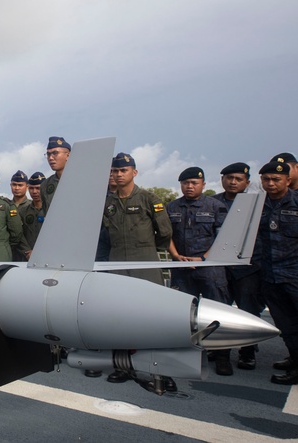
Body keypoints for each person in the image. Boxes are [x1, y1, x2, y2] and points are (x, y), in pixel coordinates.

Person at [101, 152, 173, 385]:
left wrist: (148, 250)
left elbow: (165, 232)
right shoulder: (108, 202)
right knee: (117, 315)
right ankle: (123, 367)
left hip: (144, 261)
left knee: (151, 315)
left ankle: (159, 368)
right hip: (116, 261)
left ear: (134, 172)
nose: (118, 174)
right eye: (115, 171)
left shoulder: (149, 198)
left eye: (123, 170)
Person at [166, 167, 232, 375]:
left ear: (203, 184)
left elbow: (223, 238)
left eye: (194, 183)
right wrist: (176, 256)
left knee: (218, 313)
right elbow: (166, 235)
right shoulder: (172, 207)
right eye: (186, 183)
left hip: (209, 268)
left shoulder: (216, 206)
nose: (189, 186)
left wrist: (204, 258)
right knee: (182, 315)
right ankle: (187, 355)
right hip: (182, 267)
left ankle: (222, 357)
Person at [214, 162, 264, 370]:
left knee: (248, 312)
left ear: (247, 182)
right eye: (229, 178)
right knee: (220, 312)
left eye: (238, 179)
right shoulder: (212, 203)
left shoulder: (258, 203)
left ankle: (247, 353)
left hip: (248, 269)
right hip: (220, 268)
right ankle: (221, 355)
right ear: (222, 179)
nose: (233, 182)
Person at [256, 160, 298, 385]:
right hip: (270, 274)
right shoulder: (257, 206)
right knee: (285, 323)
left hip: (294, 273)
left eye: (276, 180)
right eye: (266, 179)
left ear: (288, 180)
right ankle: (295, 359)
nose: (270, 184)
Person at [17, 171, 47, 259]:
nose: (34, 192)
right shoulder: (22, 211)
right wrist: (28, 252)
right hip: (27, 256)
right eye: (31, 188)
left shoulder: (52, 210)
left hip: (47, 255)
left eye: (38, 188)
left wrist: (40, 251)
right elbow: (19, 235)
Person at [41, 136, 71, 214]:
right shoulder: (45, 185)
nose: (50, 158)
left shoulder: (82, 178)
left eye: (55, 153)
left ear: (68, 155)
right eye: (48, 154)